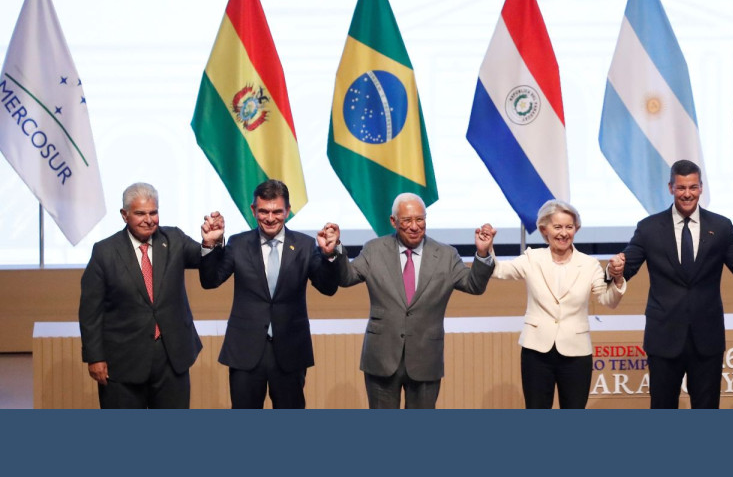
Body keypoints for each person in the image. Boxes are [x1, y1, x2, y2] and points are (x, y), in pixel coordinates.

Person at [608, 159, 733, 409]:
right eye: (681, 188)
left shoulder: (720, 226)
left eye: (693, 187)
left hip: (706, 339)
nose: (687, 194)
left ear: (701, 188)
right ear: (671, 188)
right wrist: (615, 269)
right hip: (663, 337)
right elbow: (628, 266)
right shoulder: (649, 228)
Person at [319, 193, 495, 409]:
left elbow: (474, 285)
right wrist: (336, 248)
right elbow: (347, 278)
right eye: (407, 220)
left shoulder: (446, 255)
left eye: (420, 219)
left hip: (426, 358)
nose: (414, 226)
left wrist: (482, 254)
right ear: (393, 221)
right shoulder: (374, 250)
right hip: (382, 358)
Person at [78, 182, 223, 408]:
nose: (148, 219)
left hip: (171, 358)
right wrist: (95, 357)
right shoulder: (104, 252)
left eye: (153, 212)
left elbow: (209, 273)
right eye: (140, 213)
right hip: (123, 361)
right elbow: (90, 311)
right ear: (124, 215)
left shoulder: (174, 239)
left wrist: (210, 243)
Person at [198, 180, 339, 408]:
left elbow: (328, 288)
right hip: (245, 351)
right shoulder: (238, 243)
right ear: (253, 210)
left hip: (290, 351)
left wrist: (330, 255)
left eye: (277, 212)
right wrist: (209, 245)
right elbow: (210, 281)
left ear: (288, 210)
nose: (270, 218)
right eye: (263, 211)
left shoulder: (304, 245)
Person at [489, 200, 626, 408]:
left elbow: (609, 300)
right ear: (544, 230)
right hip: (536, 352)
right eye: (557, 227)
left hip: (576, 353)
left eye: (569, 227)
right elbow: (498, 270)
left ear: (576, 229)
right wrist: (486, 250)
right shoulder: (532, 258)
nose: (564, 233)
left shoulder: (589, 265)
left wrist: (617, 278)